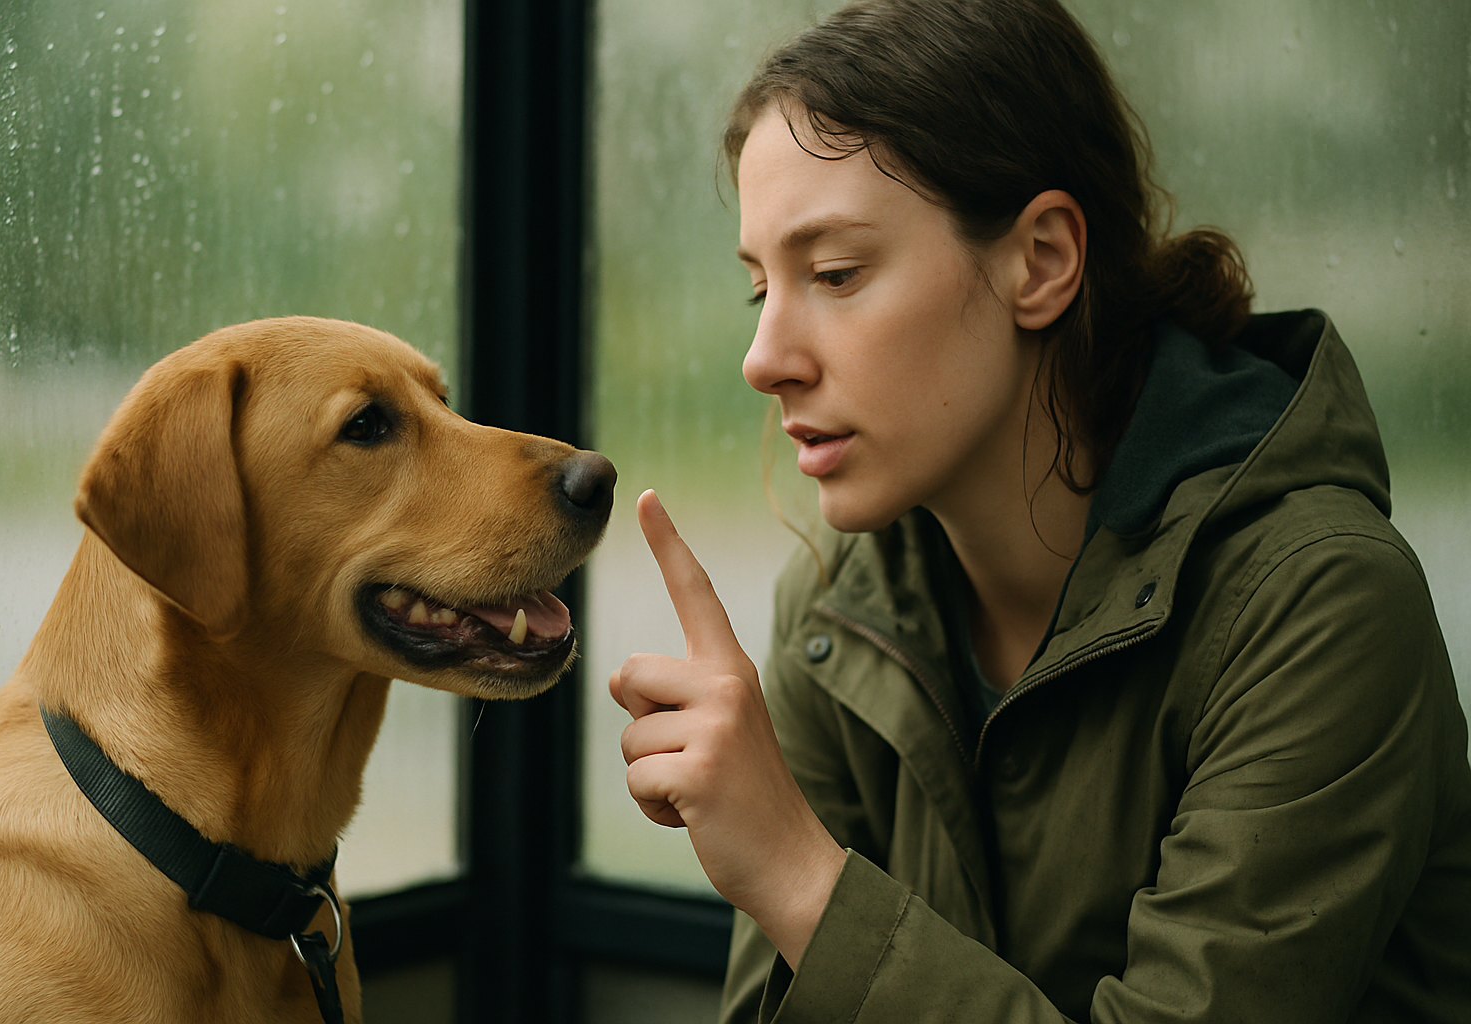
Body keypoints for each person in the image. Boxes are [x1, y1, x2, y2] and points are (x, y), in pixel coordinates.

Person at [608, 0, 1471, 1020]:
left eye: (834, 273)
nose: (763, 360)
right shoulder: (843, 610)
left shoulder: (1318, 608)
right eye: (762, 290)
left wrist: (797, 873)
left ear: (1044, 259)